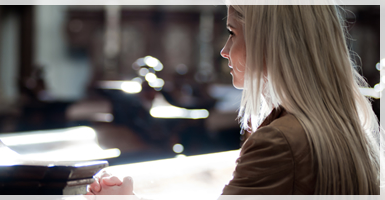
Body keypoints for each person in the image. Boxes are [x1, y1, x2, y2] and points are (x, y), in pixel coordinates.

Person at [87, 5, 382, 195]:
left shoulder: (280, 142)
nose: (224, 51)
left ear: (270, 40)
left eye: (232, 33)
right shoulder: (345, 120)